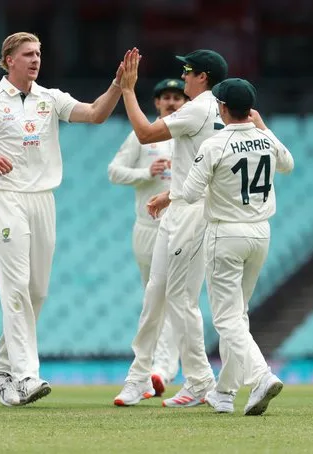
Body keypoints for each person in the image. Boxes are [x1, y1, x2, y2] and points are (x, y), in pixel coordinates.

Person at [0, 32, 125, 407]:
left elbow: (95, 114)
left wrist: (119, 86)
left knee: (37, 290)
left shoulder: (49, 98)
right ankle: (25, 376)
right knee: (16, 288)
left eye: (39, 53)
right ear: (8, 59)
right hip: (7, 198)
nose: (35, 59)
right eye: (27, 54)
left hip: (44, 199)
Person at [113, 48, 227, 408]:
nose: (185, 77)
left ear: (203, 77)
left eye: (189, 71)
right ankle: (138, 378)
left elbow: (146, 133)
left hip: (192, 216)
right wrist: (170, 195)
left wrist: (127, 90)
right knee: (156, 294)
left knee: (179, 299)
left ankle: (200, 380)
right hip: (180, 208)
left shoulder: (198, 108)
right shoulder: (213, 108)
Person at [182, 78, 292, 415]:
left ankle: (260, 375)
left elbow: (189, 193)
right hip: (260, 233)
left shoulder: (216, 144)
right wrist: (263, 128)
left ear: (223, 108)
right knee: (237, 314)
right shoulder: (264, 137)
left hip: (225, 233)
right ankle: (225, 393)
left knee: (226, 318)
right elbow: (287, 163)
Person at [107, 78, 187, 396]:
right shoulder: (141, 137)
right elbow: (114, 171)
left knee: (171, 298)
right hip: (146, 227)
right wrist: (146, 173)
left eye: (177, 97)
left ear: (186, 103)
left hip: (180, 226)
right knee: (153, 300)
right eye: (165, 97)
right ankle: (153, 369)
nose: (171, 102)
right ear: (156, 103)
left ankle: (161, 371)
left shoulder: (190, 135)